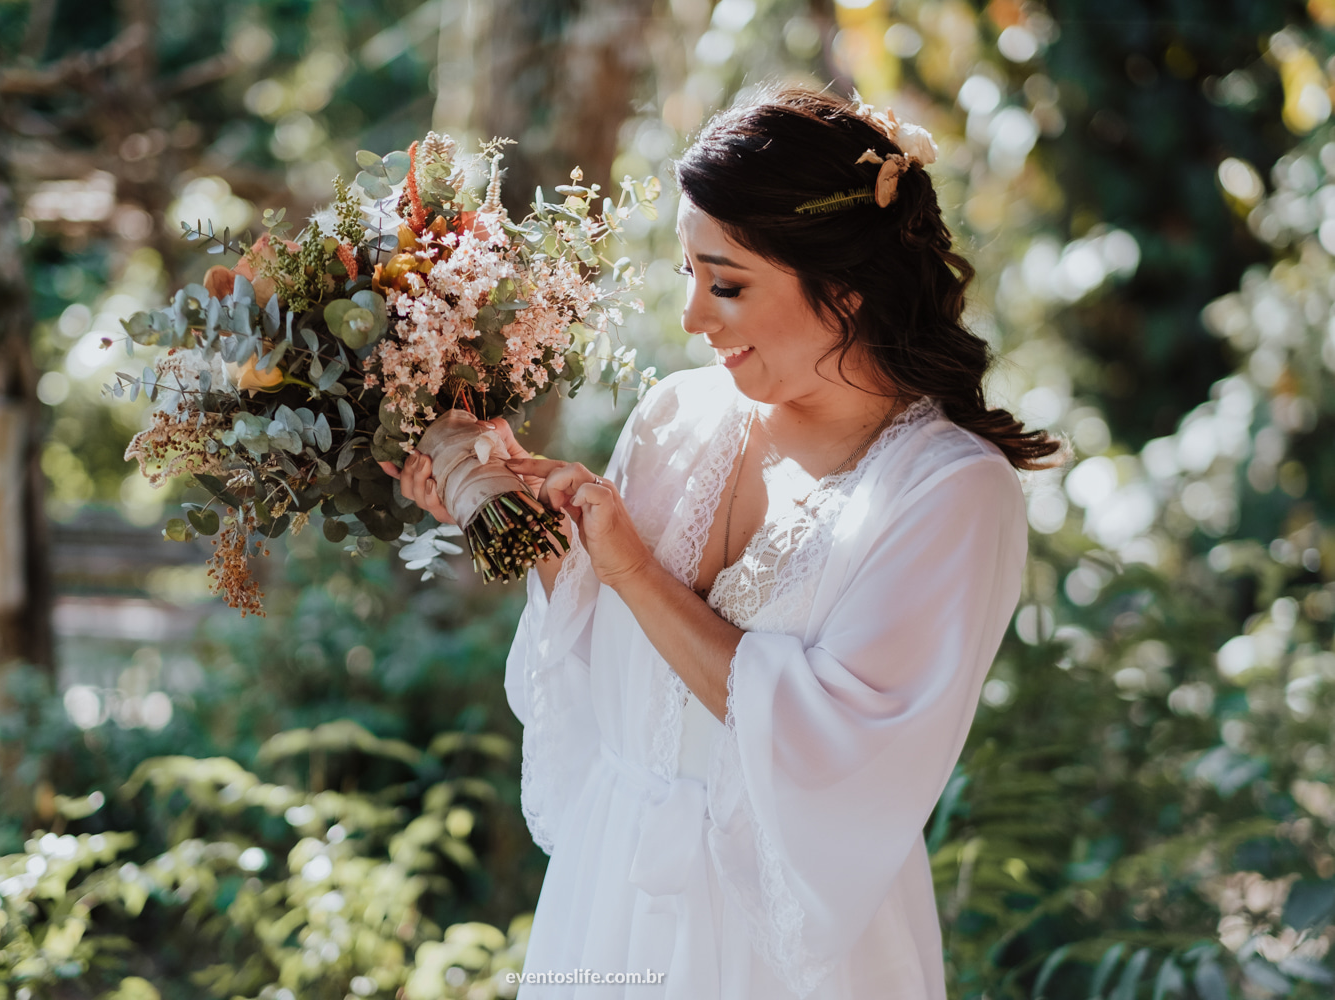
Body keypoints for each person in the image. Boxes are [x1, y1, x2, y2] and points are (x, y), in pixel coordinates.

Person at [387, 87, 1062, 999]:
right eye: (689, 277)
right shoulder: (677, 413)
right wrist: (526, 527)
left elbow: (844, 752)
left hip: (780, 945)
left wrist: (626, 565)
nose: (696, 319)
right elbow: (624, 676)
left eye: (728, 283)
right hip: (612, 902)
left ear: (844, 286)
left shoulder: (949, 493)